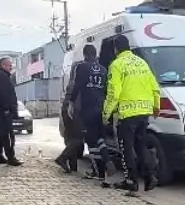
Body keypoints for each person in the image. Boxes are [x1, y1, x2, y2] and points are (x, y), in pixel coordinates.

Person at [102, 35, 161, 193]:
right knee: (141, 146)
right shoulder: (142, 63)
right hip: (144, 113)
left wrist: (106, 114)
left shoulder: (116, 65)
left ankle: (131, 181)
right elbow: (155, 87)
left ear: (115, 49)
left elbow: (114, 93)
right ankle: (150, 177)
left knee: (126, 149)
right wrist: (156, 106)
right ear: (128, 46)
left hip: (127, 115)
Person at [66, 43, 110, 179]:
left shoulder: (82, 67)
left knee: (91, 140)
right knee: (100, 138)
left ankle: (98, 171)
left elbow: (77, 86)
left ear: (84, 55)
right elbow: (107, 89)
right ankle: (106, 161)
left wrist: (71, 103)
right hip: (101, 106)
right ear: (95, 54)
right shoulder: (103, 69)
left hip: (88, 107)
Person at [0, 57, 23, 166]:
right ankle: (10, 157)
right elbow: (4, 94)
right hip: (4, 112)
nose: (11, 67)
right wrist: (7, 109)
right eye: (9, 65)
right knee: (7, 135)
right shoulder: (2, 77)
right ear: (3, 65)